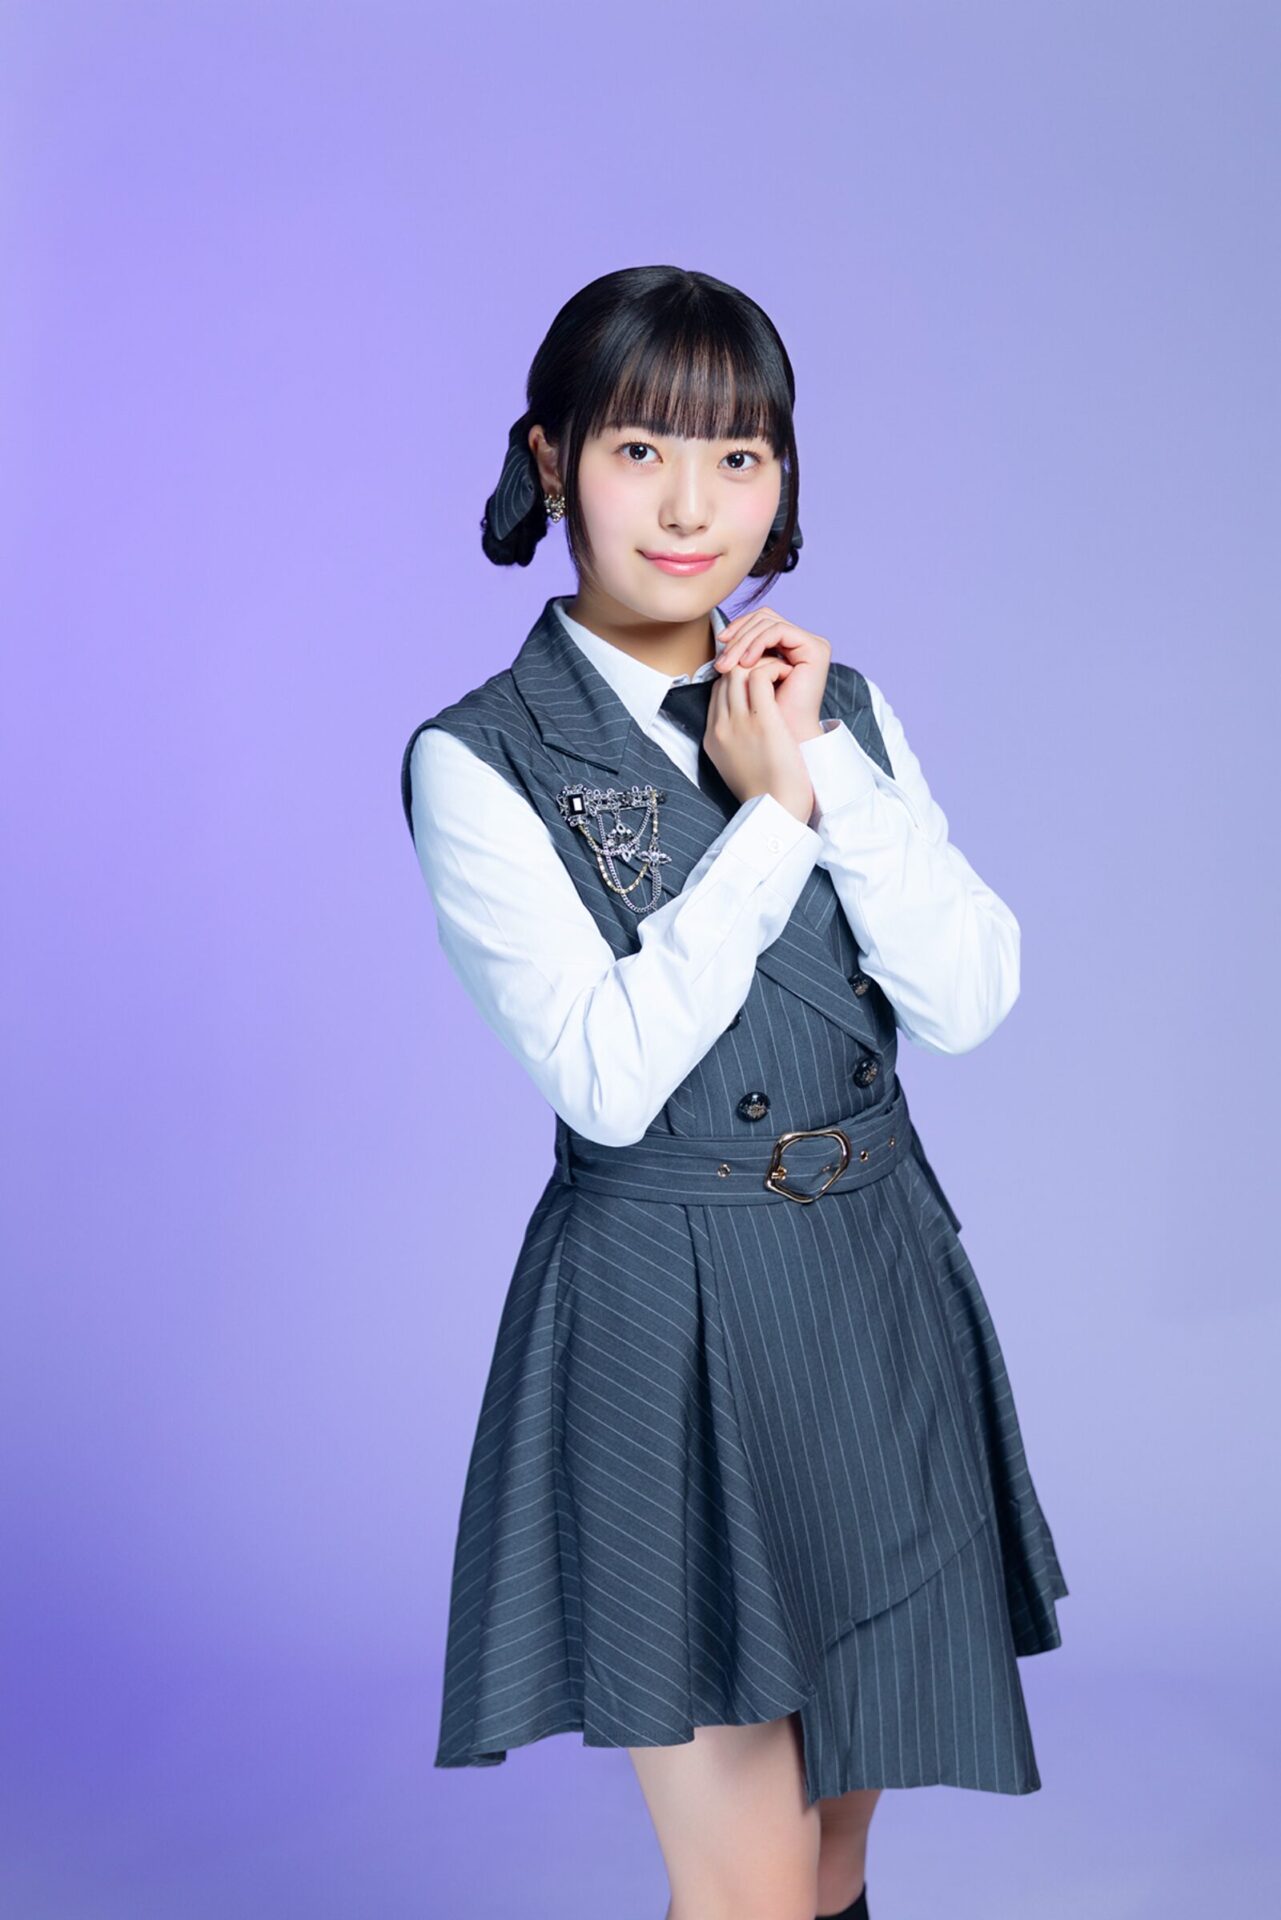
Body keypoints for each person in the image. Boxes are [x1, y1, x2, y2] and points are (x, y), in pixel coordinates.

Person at [400, 264, 1068, 1920]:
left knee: (832, 1852)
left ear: (782, 478)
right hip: (665, 1309)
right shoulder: (481, 755)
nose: (692, 507)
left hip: (870, 1285)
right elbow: (606, 1079)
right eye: (640, 450)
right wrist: (768, 823)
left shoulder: (837, 709)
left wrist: (818, 761)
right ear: (552, 461)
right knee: (749, 1880)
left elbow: (969, 996)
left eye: (739, 456)